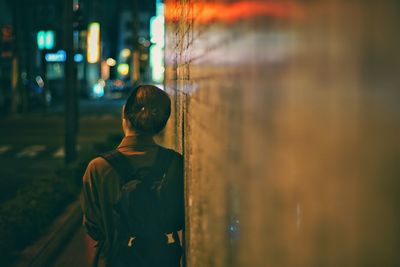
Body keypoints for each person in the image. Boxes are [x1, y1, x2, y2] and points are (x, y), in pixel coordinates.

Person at [81, 85, 184, 267]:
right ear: (162, 125)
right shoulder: (175, 163)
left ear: (124, 113)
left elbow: (93, 235)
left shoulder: (98, 168)